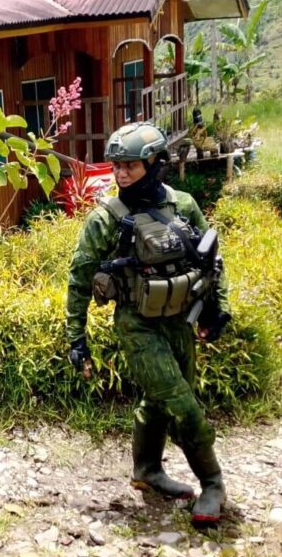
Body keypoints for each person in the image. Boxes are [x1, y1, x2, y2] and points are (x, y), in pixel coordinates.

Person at [65, 122, 232, 527]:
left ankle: (147, 470)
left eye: (130, 166)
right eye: (116, 166)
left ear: (155, 163)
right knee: (183, 405)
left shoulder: (184, 204)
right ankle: (212, 482)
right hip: (137, 325)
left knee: (162, 399)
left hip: (180, 319)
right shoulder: (106, 219)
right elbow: (80, 278)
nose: (120, 174)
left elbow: (212, 259)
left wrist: (218, 308)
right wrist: (76, 339)